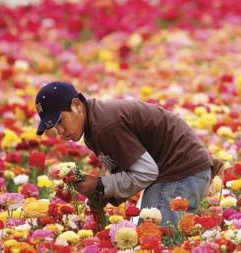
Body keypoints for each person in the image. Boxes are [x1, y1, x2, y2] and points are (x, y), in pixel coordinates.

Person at [34, 81, 223, 226]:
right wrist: (101, 193)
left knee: (158, 236)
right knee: (155, 234)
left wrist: (100, 184)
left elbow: (146, 172)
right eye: (53, 128)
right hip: (177, 172)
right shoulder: (93, 124)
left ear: (77, 105)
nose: (60, 133)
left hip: (179, 171)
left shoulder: (105, 126)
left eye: (60, 122)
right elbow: (127, 169)